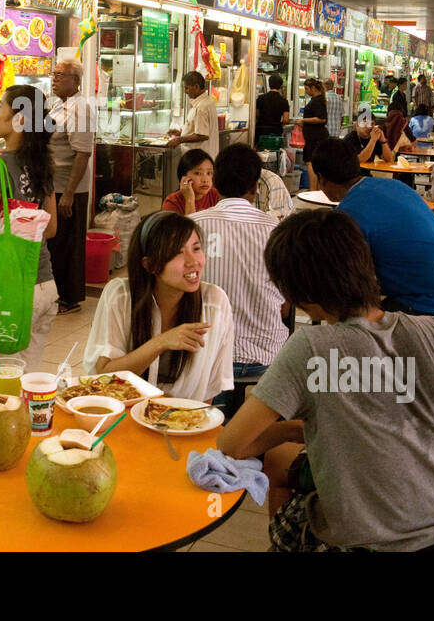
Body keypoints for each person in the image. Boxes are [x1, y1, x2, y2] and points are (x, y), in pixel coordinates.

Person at [219, 208, 434, 549]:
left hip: (356, 542)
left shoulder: (310, 348)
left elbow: (231, 445)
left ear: (302, 296)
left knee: (282, 468)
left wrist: (292, 429)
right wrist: (424, 401)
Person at [84, 211, 234, 403]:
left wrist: (190, 426)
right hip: (124, 415)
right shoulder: (121, 296)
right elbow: (104, 376)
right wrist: (161, 342)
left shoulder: (215, 304)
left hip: (182, 421)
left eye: (196, 248)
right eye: (177, 253)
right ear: (150, 265)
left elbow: (209, 390)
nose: (193, 261)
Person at [189, 145, 289, 417]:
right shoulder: (277, 232)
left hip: (206, 358)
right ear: (255, 186)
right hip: (266, 360)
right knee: (250, 447)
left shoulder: (192, 227)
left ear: (216, 183)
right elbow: (286, 303)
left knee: (207, 437)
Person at [0, 85, 58, 373]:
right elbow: (51, 228)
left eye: (1, 107)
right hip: (43, 287)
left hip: (7, 291)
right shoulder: (43, 163)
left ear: (18, 119)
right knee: (25, 382)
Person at [310, 137, 434, 315]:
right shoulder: (394, 185)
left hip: (426, 303)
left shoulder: (348, 215)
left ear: (321, 178)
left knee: (354, 319)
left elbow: (348, 280)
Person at [45, 58, 94, 316]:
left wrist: (70, 193)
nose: (54, 79)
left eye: (60, 75)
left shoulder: (81, 108)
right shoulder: (57, 105)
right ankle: (57, 294)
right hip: (55, 185)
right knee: (56, 242)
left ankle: (69, 297)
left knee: (68, 243)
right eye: (53, 74)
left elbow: (82, 154)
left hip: (69, 187)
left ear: (75, 81)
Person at [168, 71, 218, 158]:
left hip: (199, 158)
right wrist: (181, 133)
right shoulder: (207, 102)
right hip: (204, 157)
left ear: (196, 87)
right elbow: (200, 130)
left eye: (187, 88)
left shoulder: (202, 106)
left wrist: (179, 140)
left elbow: (202, 135)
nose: (185, 92)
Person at [163, 149, 219, 214]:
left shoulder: (216, 196)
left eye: (209, 173)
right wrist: (189, 200)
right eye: (197, 173)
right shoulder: (172, 202)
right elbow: (189, 224)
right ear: (183, 177)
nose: (205, 180)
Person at [297, 78, 328, 190]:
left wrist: (304, 121)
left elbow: (321, 118)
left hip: (315, 137)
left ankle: (313, 189)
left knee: (310, 163)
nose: (306, 91)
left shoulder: (317, 101)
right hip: (315, 136)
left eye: (306, 89)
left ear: (313, 88)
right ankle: (316, 189)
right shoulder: (318, 100)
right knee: (315, 163)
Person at [255, 73, 290, 139]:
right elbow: (286, 120)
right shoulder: (284, 101)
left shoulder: (261, 98)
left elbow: (257, 114)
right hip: (276, 131)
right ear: (280, 86)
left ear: (269, 84)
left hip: (261, 130)